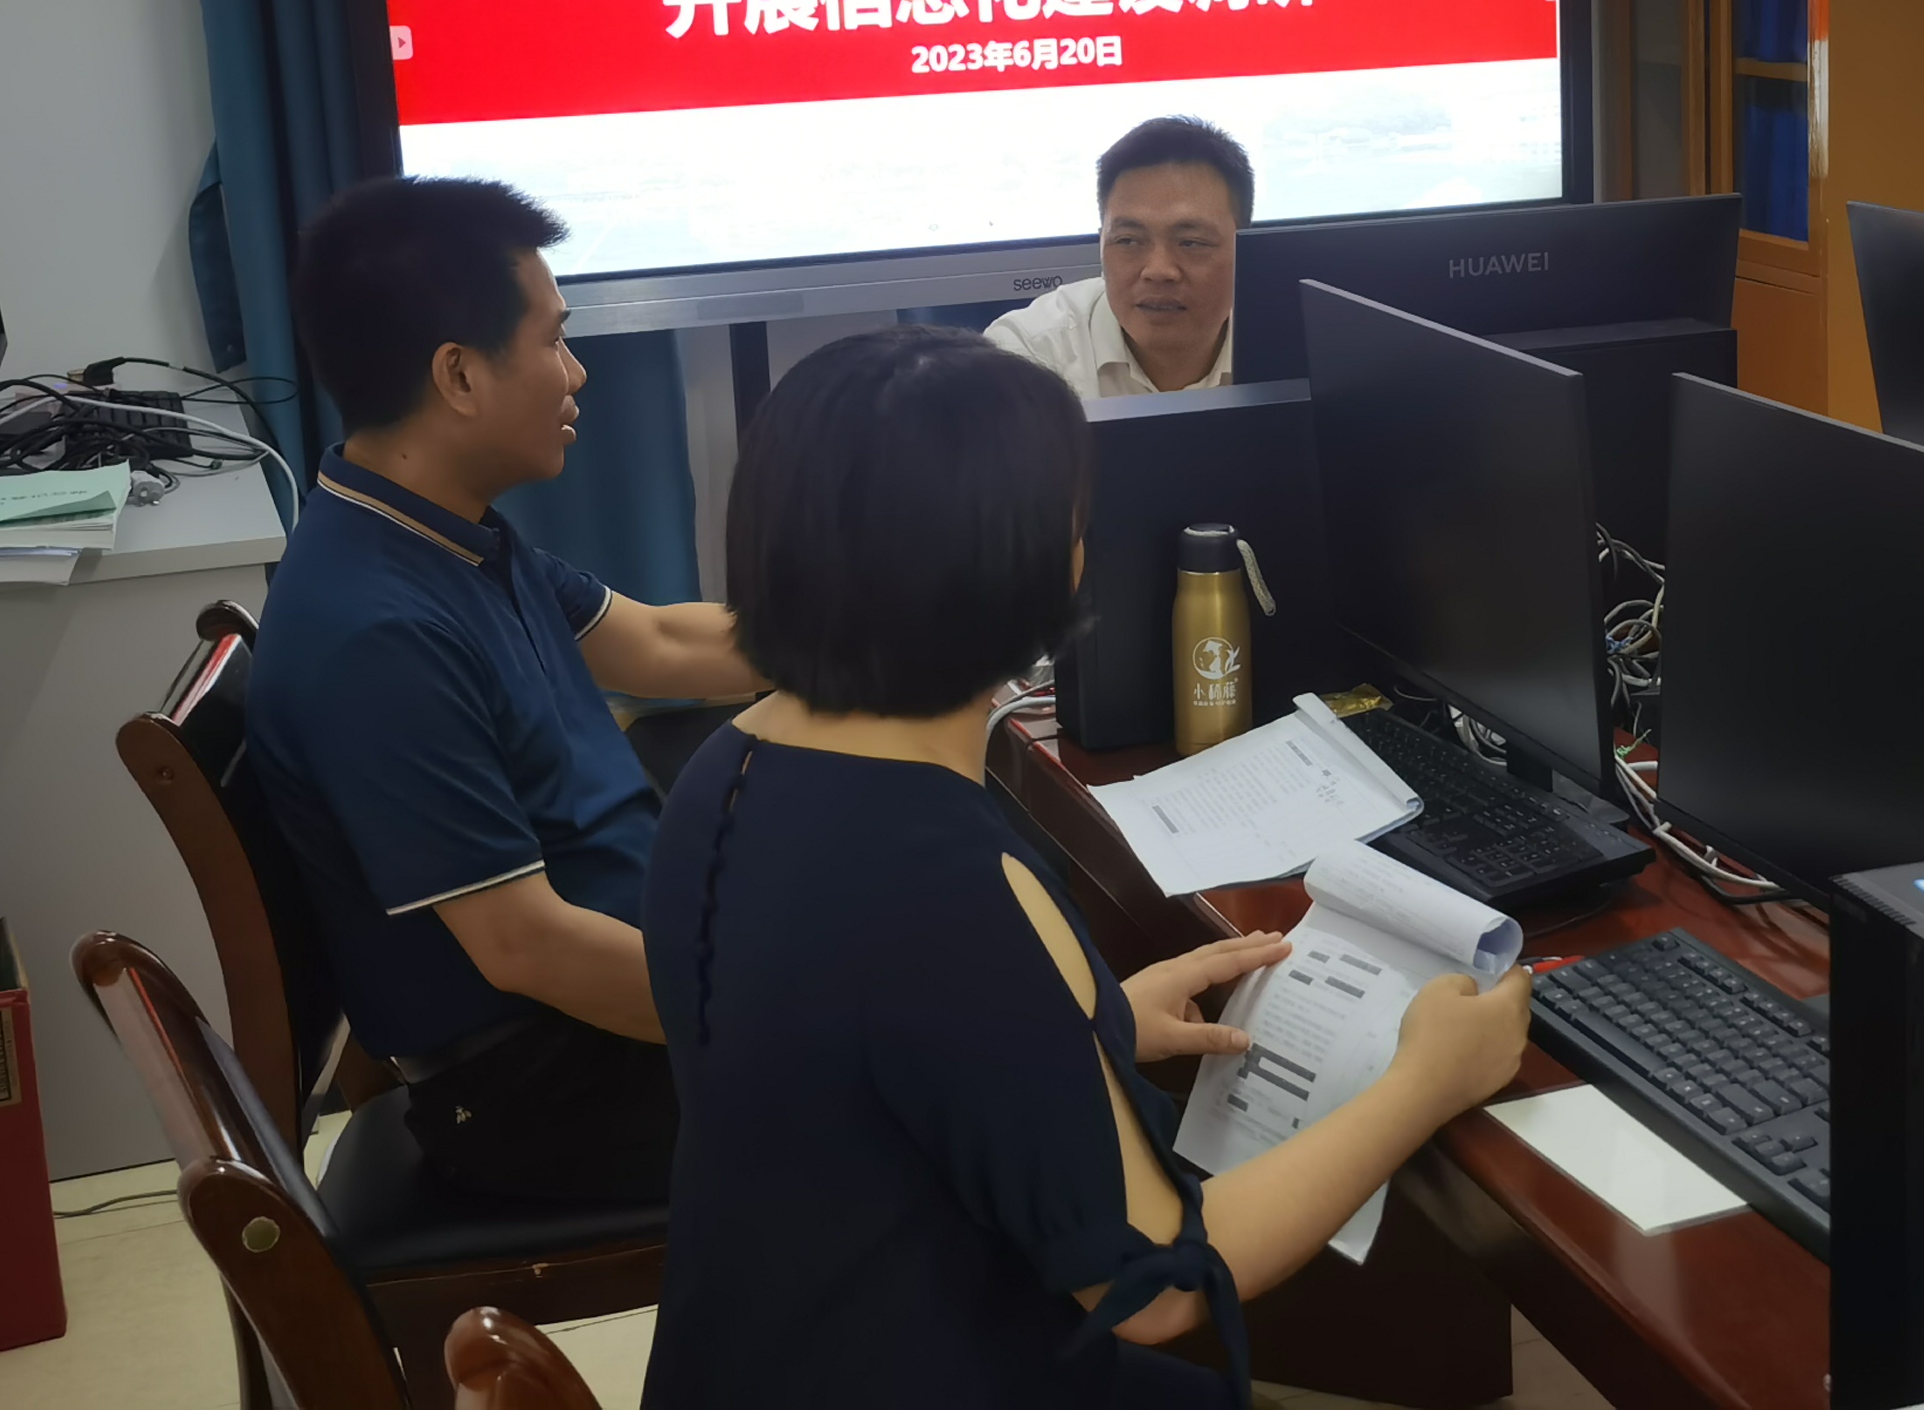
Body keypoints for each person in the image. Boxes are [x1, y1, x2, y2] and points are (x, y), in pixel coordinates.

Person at [643, 326, 1533, 1408]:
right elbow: (1154, 1283)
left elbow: (850, 1048)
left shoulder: (725, 768)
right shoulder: (951, 883)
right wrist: (1426, 1081)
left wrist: (1086, 1021)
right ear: (1019, 565)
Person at [242, 176, 767, 1203]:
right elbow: (528, 947)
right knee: (945, 1034)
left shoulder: (431, 526)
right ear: (459, 375)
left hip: (617, 999)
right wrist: (781, 1007)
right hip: (552, 1084)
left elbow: (658, 643)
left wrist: (889, 638)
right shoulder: (376, 635)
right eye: (554, 340)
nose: (576, 373)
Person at [987, 116, 1252, 397]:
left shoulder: (1285, 338)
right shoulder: (1028, 356)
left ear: (1248, 249)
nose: (1158, 270)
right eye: (1128, 240)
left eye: (1191, 243)